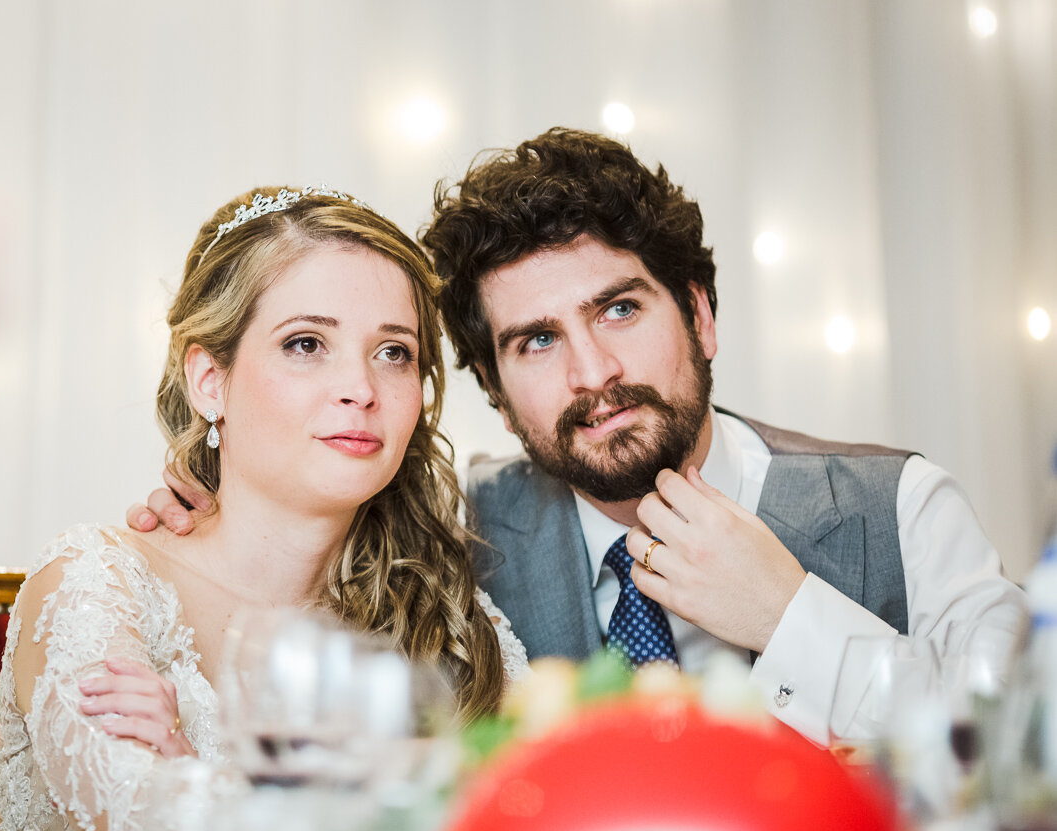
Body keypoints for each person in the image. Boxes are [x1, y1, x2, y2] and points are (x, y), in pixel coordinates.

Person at [414, 126, 1027, 744]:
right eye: (538, 341)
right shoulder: (450, 532)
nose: (594, 371)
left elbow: (1021, 747)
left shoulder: (905, 506)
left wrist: (787, 618)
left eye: (620, 310)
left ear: (699, 318)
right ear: (496, 394)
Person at [0, 186, 527, 831]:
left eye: (393, 352)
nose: (360, 389)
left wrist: (194, 772)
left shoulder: (453, 617)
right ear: (209, 379)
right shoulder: (94, 584)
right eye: (307, 343)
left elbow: (549, 827)